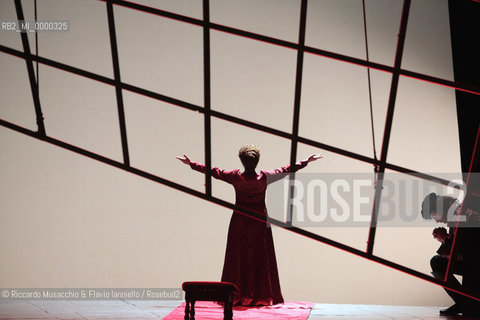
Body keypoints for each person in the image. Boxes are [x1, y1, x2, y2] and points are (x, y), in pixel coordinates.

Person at [177, 145, 323, 306]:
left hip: (239, 222)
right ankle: (262, 296)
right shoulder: (265, 177)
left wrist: (192, 164)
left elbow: (214, 171)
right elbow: (286, 169)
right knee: (261, 257)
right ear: (257, 161)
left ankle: (236, 295)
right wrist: (305, 162)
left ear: (242, 161)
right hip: (259, 223)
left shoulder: (235, 177)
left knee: (238, 258)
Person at [421, 192, 480, 317]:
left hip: (475, 262)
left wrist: (445, 239)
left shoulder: (463, 214)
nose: (437, 221)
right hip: (471, 260)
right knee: (437, 262)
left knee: (437, 262)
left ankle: (463, 302)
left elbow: (468, 248)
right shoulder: (456, 216)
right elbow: (459, 249)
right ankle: (462, 302)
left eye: (435, 215)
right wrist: (445, 239)